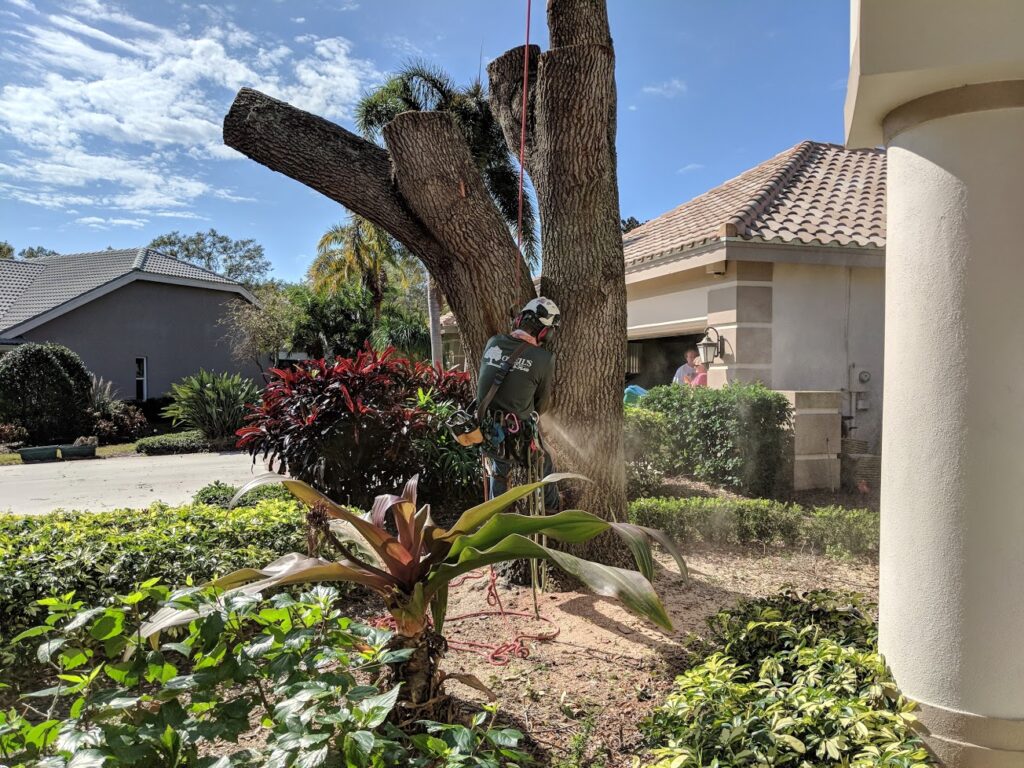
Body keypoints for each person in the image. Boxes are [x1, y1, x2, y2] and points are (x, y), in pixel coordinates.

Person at [476, 297, 561, 510]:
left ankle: (498, 513)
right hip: (517, 440)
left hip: (486, 433)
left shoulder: (493, 342)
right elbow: (541, 406)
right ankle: (553, 510)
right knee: (545, 459)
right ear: (545, 333)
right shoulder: (544, 358)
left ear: (520, 320)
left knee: (500, 464)